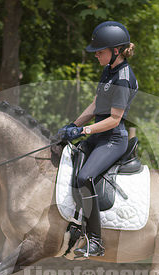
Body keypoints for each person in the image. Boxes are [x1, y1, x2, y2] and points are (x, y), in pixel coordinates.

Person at [59, 21, 138, 257]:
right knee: (67, 161)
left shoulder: (123, 77)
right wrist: (73, 125)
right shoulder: (108, 71)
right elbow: (96, 104)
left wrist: (83, 132)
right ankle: (75, 224)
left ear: (116, 51)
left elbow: (115, 119)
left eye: (100, 52)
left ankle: (96, 240)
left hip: (113, 139)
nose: (96, 56)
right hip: (97, 136)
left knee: (85, 177)